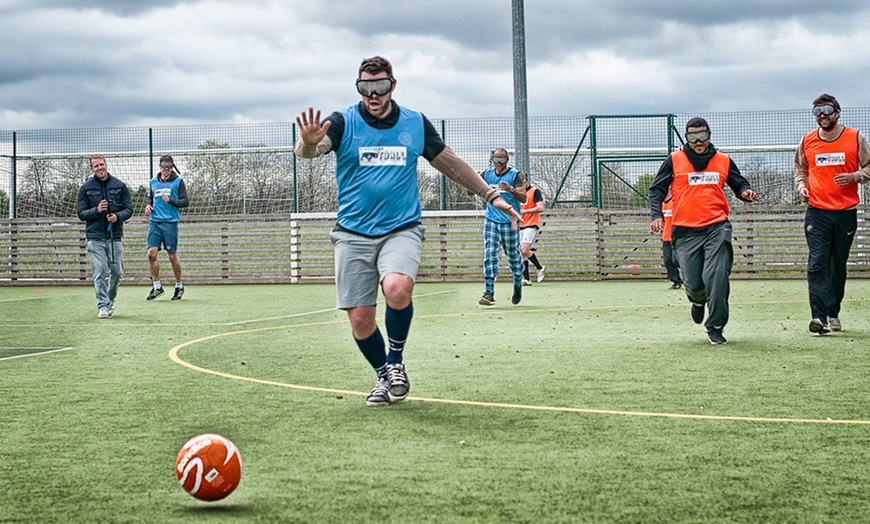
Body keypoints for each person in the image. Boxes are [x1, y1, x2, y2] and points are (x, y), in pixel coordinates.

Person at [294, 56, 520, 407]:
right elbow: (309, 151)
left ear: (392, 86)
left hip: (401, 227)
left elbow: (450, 163)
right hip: (352, 233)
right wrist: (307, 142)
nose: (373, 94)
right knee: (360, 318)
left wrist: (491, 195)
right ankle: (384, 375)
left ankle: (396, 360)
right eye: (365, 87)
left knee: (398, 288)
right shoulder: (342, 122)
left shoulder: (414, 123)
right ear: (359, 88)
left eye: (380, 87)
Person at [649, 117, 758, 345]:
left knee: (717, 276)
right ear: (686, 138)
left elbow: (739, 184)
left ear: (710, 135)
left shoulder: (724, 160)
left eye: (702, 136)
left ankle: (716, 326)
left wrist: (745, 192)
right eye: (692, 137)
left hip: (716, 227)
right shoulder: (674, 160)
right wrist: (657, 215)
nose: (698, 142)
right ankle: (697, 301)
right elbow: (656, 189)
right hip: (685, 232)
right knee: (695, 284)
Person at [794, 94, 870, 335]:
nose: (822, 115)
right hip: (817, 212)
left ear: (837, 112)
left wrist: (854, 177)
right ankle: (818, 317)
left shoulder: (855, 137)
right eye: (817, 111)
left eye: (827, 110)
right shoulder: (807, 141)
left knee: (837, 266)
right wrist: (801, 187)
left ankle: (832, 311)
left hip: (845, 213)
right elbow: (800, 169)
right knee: (817, 263)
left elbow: (868, 166)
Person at [76, 154, 133, 318]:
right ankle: (102, 305)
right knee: (99, 271)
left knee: (117, 271)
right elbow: (81, 213)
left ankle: (110, 299)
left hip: (114, 236)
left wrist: (117, 217)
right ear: (92, 169)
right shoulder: (86, 188)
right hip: (95, 237)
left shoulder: (119, 186)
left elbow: (128, 210)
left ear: (106, 164)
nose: (100, 168)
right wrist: (97, 210)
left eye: (102, 164)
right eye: (96, 166)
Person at [479, 148, 526, 305]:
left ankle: (518, 280)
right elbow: (470, 192)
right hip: (491, 220)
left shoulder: (515, 175)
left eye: (502, 160)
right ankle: (489, 292)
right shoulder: (487, 174)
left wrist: (511, 189)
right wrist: (474, 179)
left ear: (507, 160)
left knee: (513, 256)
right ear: (492, 159)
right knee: (490, 253)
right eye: (496, 160)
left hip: (510, 222)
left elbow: (524, 198)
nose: (499, 164)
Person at [144, 154, 190, 301]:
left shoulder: (178, 182)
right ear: (160, 167)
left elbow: (185, 201)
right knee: (151, 254)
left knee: (171, 256)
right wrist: (148, 205)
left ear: (172, 167)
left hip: (170, 223)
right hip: (155, 222)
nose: (166, 169)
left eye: (169, 167)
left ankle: (179, 285)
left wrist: (170, 201)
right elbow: (150, 197)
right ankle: (157, 286)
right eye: (164, 166)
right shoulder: (153, 182)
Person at [519, 175, 545, 285]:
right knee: (522, 252)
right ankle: (527, 279)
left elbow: (540, 208)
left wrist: (525, 212)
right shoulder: (517, 193)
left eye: (523, 181)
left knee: (525, 249)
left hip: (531, 223)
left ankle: (539, 267)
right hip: (519, 224)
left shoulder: (535, 191)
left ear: (527, 181)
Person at [661, 190, 682, 289]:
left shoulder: (676, 201)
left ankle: (693, 279)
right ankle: (677, 282)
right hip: (666, 237)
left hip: (677, 236)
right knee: (668, 261)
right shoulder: (661, 204)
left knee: (676, 260)